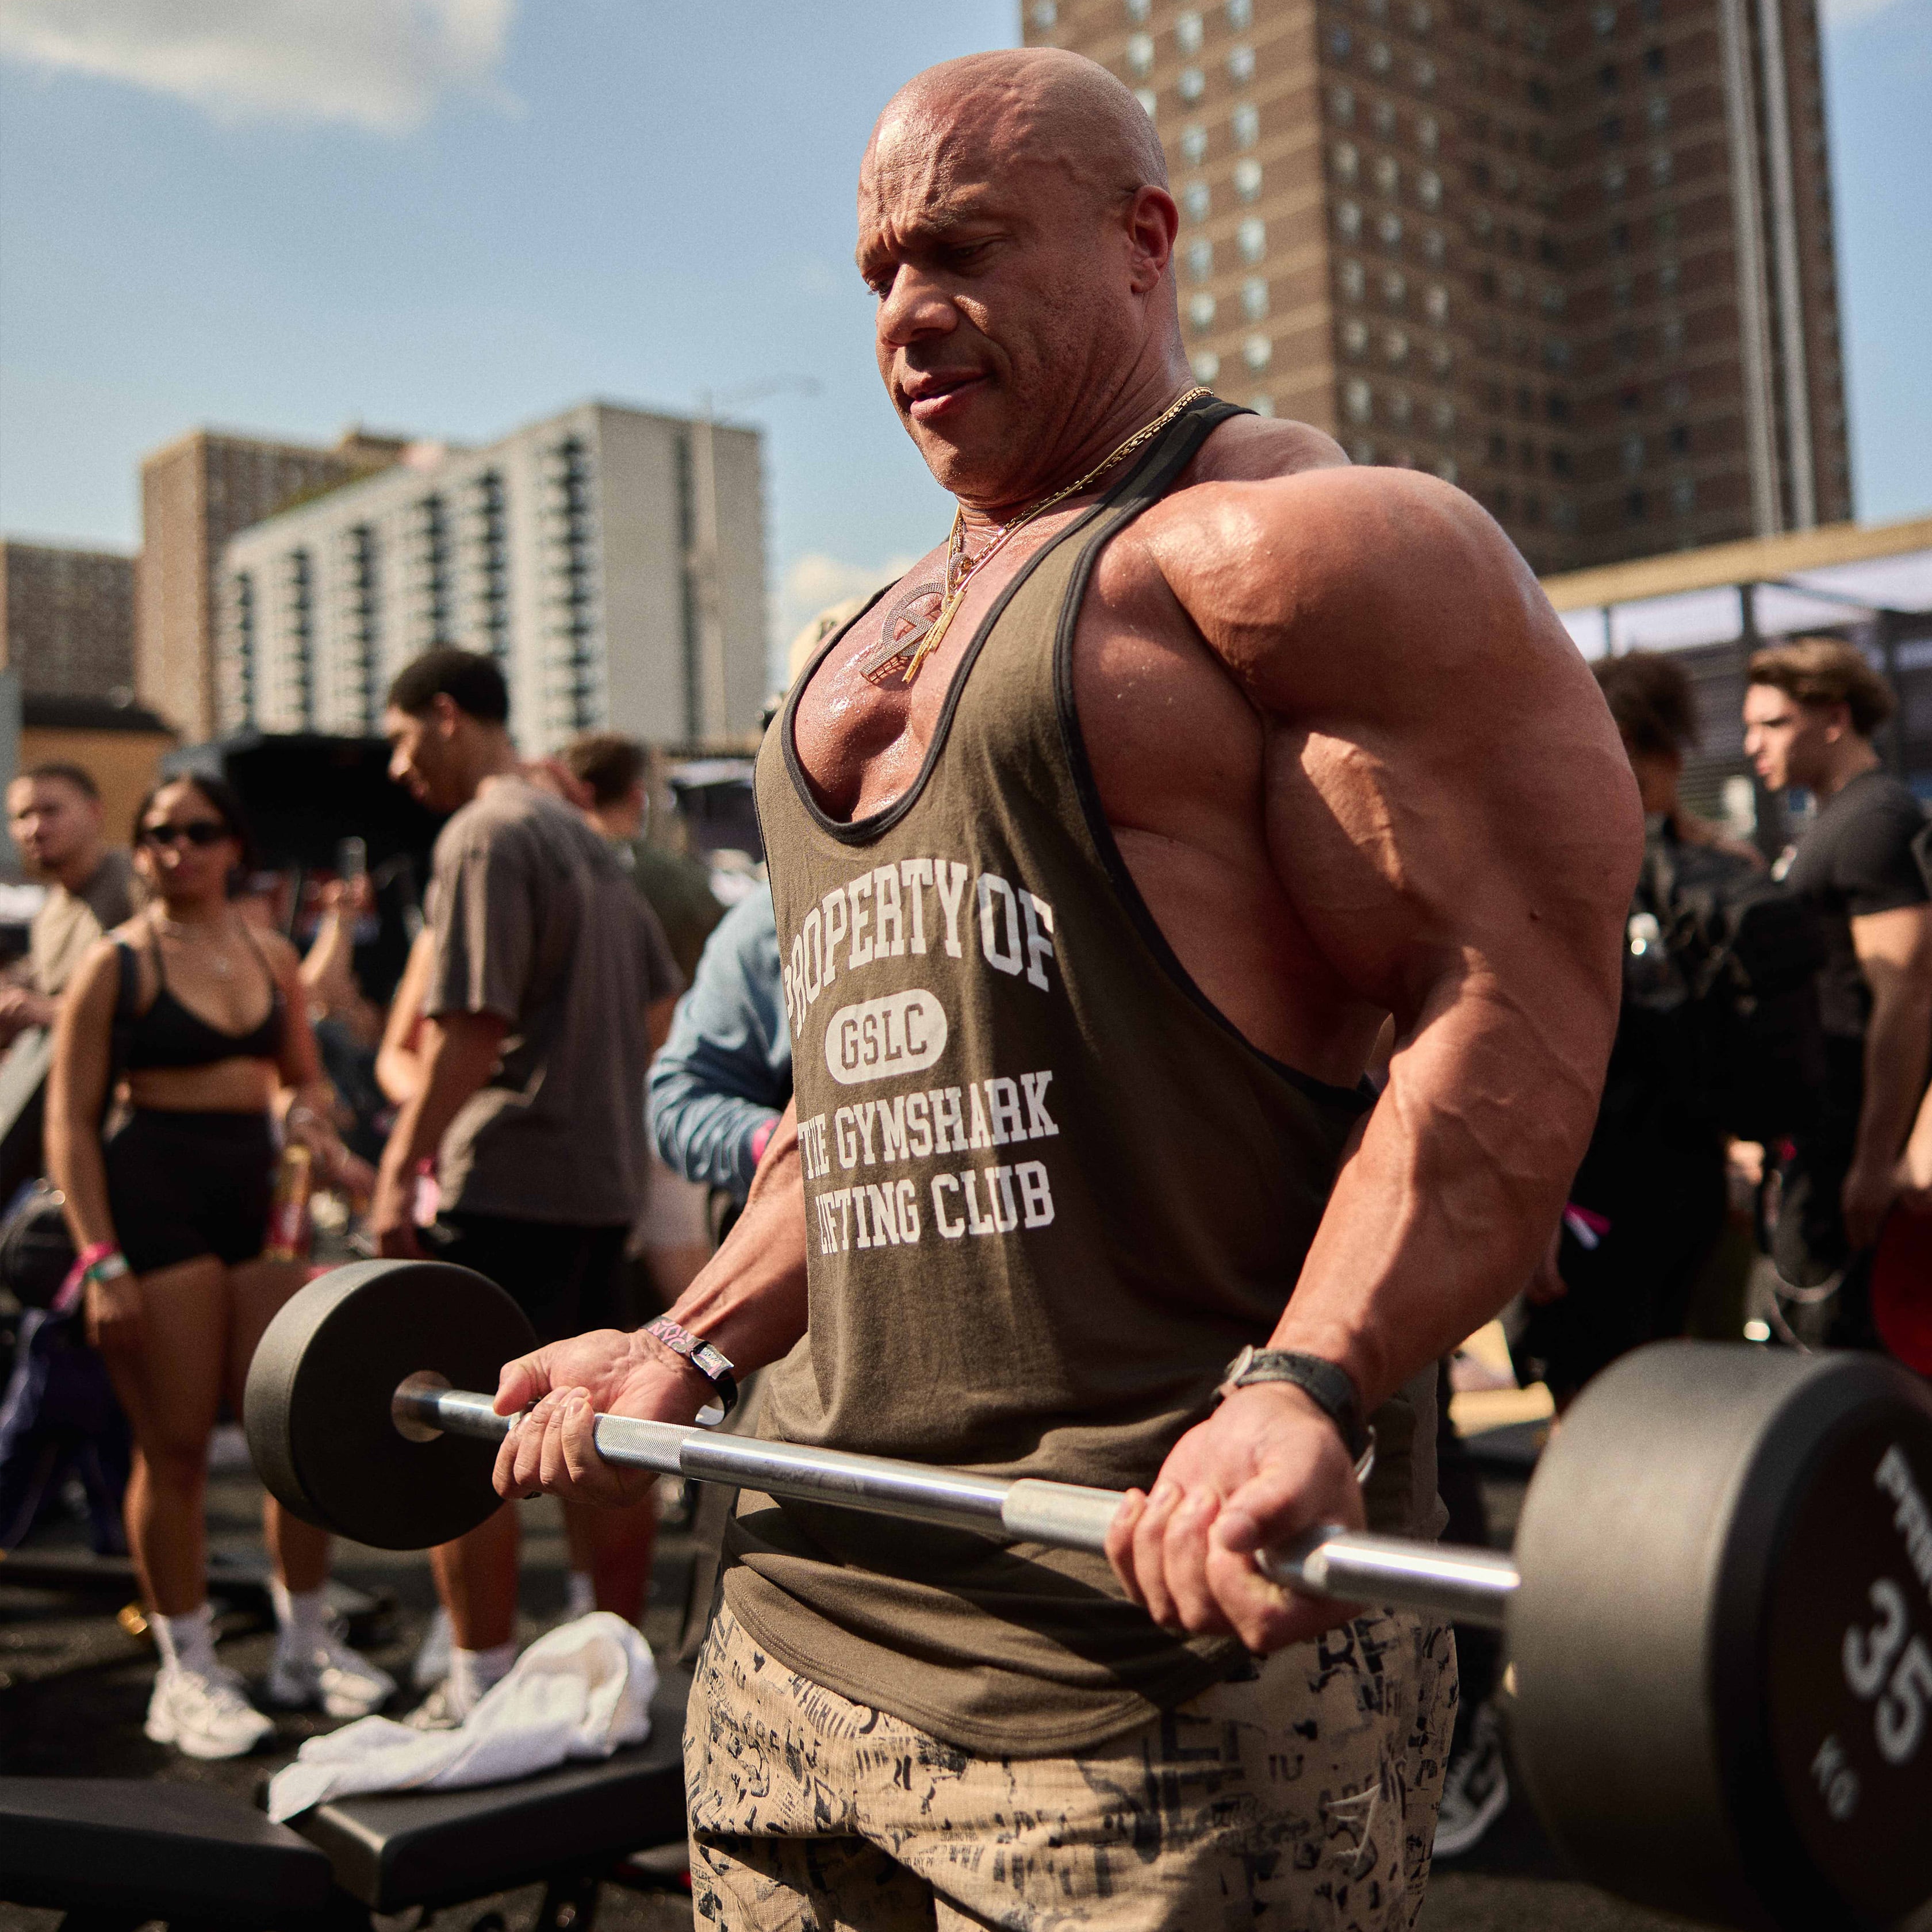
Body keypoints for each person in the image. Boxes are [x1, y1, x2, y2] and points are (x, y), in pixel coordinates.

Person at [492, 49, 1638, 1930]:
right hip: (793, 1620)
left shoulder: (1300, 549)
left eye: (961, 248)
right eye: (878, 271)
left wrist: (1308, 1384)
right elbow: (877, 1095)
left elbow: (1508, 993)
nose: (906, 313)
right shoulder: (855, 644)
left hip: (1150, 1657)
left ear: (1142, 240)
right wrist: (684, 1343)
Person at [45, 775, 392, 1759]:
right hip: (154, 1203)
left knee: (295, 1431)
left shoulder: (271, 952)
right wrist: (100, 1260)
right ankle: (187, 1669)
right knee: (176, 1451)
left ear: (232, 845)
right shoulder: (117, 962)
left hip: (259, 1200)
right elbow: (69, 1123)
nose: (178, 850)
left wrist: (309, 1121)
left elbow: (302, 1079)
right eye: (158, 834)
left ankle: (303, 1644)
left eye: (199, 832)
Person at [371, 649, 684, 1727]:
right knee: (604, 1437)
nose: (400, 770)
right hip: (598, 1184)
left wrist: (397, 1173)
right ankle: (620, 1677)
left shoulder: (486, 832)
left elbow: (471, 1029)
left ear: (446, 717)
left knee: (466, 1439)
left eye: (402, 742)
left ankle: (482, 1690)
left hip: (506, 1184)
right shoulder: (593, 846)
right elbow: (660, 1018)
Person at [1516, 652, 1750, 1404]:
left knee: (1609, 1396)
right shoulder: (1718, 870)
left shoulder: (1582, 876)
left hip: (1622, 1183)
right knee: (1653, 1391)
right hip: (1659, 1177)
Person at [1743, 638, 1932, 1332]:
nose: (1753, 744)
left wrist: (1876, 1160)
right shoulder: (1836, 819)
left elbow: (1908, 996)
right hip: (1823, 1137)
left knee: (1847, 1360)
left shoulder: (1874, 821)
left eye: (1774, 724)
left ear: (1834, 717)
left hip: (1860, 1145)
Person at [561, 731, 721, 1304]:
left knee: (582, 1287)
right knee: (685, 1272)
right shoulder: (685, 879)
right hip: (669, 1084)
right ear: (636, 795)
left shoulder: (562, 874)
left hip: (575, 1103)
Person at [1, 764, 139, 1045]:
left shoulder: (137, 882)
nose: (35, 829)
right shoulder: (49, 911)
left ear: (94, 812)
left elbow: (168, 991)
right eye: (23, 816)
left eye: (50, 811)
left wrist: (53, 1011)